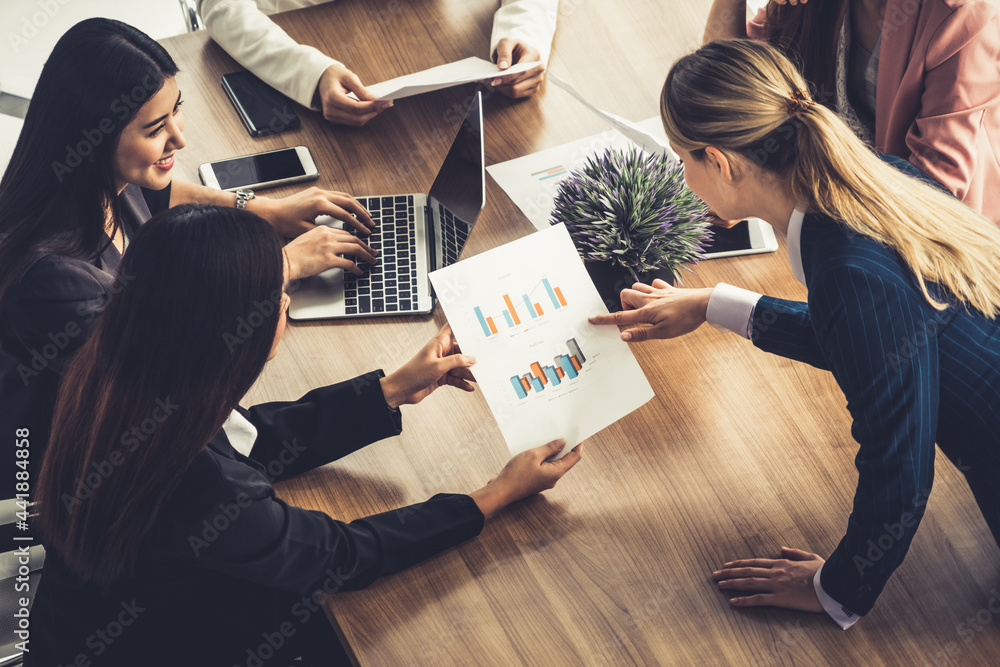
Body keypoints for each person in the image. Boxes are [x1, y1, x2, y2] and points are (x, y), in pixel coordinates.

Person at [27, 203, 581, 666]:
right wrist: (494, 495)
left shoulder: (116, 378)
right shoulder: (203, 488)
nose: (286, 305)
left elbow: (252, 439)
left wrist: (391, 387)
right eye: (279, 297)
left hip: (77, 629)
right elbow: (341, 555)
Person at [590, 39, 1000, 628]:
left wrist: (835, 589)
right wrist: (714, 303)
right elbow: (879, 345)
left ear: (721, 161)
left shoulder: (849, 270)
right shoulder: (871, 177)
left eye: (683, 159)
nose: (682, 177)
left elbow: (900, 470)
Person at [0, 18, 378, 484]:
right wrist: (281, 264)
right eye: (156, 127)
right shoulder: (55, 280)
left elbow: (164, 194)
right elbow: (180, 358)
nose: (179, 137)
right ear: (93, 139)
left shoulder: (103, 183)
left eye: (176, 110)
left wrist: (263, 209)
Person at [703, 0, 1000, 224]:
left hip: (927, 246)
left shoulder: (959, 14)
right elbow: (727, 88)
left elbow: (933, 187)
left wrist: (774, 201)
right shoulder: (810, 6)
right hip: (827, 212)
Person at [196, 0, 558, 126]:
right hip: (303, 46)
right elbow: (220, 5)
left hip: (429, 55)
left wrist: (523, 32)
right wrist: (310, 74)